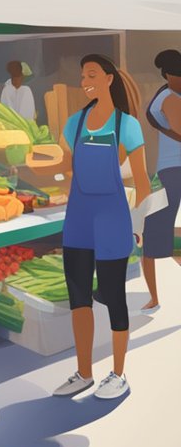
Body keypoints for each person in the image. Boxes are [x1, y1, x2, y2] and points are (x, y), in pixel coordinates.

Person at [53, 54, 148, 401]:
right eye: (82, 76)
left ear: (109, 78)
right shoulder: (74, 123)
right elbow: (66, 170)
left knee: (114, 299)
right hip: (78, 221)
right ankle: (84, 372)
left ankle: (118, 374)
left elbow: (142, 183)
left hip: (110, 221)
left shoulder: (127, 125)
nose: (85, 81)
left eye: (92, 74)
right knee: (79, 300)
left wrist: (137, 225)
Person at [141, 49, 181, 313]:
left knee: (156, 234)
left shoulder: (166, 95)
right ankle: (154, 297)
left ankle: (155, 297)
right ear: (168, 75)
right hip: (172, 171)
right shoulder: (170, 98)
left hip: (170, 170)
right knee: (155, 235)